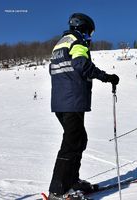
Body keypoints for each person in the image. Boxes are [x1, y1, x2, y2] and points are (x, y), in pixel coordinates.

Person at [48, 13, 119, 200]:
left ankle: (72, 181)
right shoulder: (77, 41)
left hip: (61, 101)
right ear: (84, 28)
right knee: (72, 143)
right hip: (72, 101)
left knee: (78, 139)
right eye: (90, 33)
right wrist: (107, 77)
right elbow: (81, 64)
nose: (90, 37)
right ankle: (59, 190)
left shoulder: (61, 43)